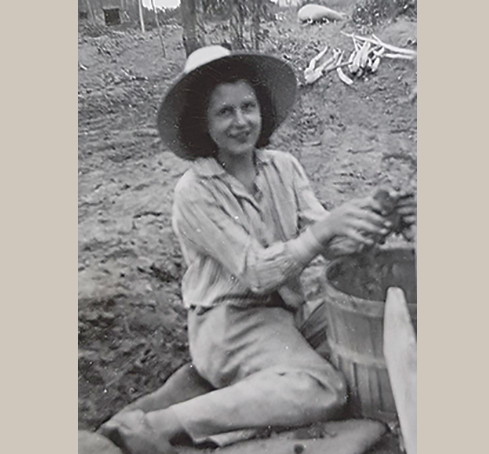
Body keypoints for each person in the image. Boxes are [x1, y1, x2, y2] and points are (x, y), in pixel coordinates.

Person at [97, 45, 415, 454]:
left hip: (288, 315)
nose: (241, 121)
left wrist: (379, 218)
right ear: (203, 123)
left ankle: (262, 386)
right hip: (230, 325)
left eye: (248, 107)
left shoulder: (283, 167)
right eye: (224, 112)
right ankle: (162, 423)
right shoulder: (194, 192)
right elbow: (257, 272)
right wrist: (325, 231)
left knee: (366, 327)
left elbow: (332, 244)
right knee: (325, 388)